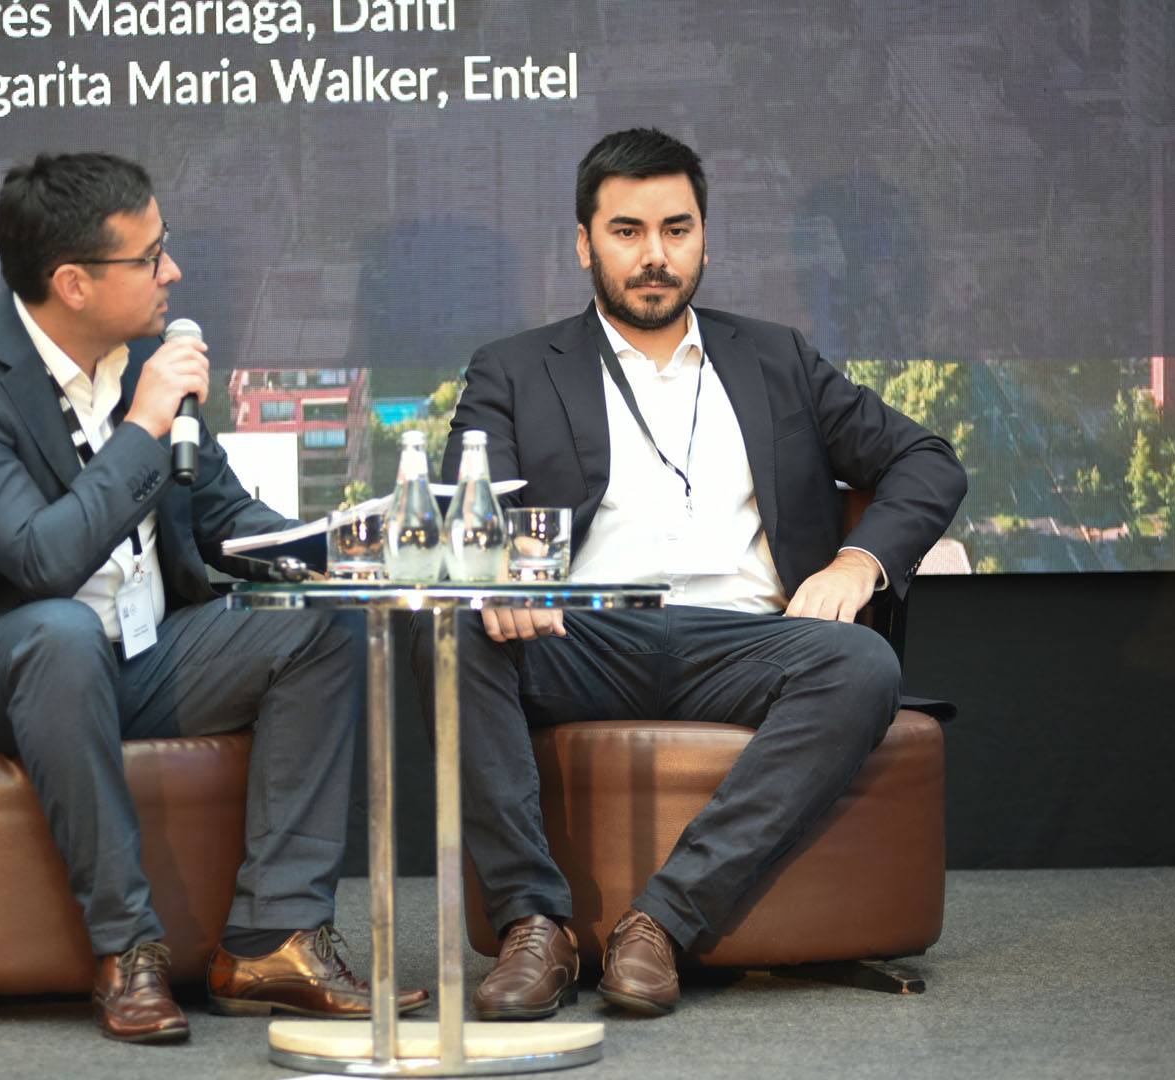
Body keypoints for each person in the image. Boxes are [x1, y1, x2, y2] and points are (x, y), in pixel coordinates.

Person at [0, 152, 426, 1043]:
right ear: (73, 283)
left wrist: (339, 549)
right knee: (62, 632)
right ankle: (127, 950)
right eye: (150, 258)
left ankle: (275, 940)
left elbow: (226, 517)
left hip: (134, 656)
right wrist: (146, 424)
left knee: (314, 623)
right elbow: (42, 560)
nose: (173, 272)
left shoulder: (142, 363)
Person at [413, 128, 967, 1019]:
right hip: (580, 636)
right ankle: (533, 925)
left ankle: (661, 924)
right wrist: (500, 569)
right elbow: (465, 504)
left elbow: (927, 461)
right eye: (627, 231)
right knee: (447, 632)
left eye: (677, 229)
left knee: (863, 664)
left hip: (747, 642)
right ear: (584, 244)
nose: (655, 256)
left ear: (705, 237)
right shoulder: (513, 370)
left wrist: (857, 563)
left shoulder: (777, 358)